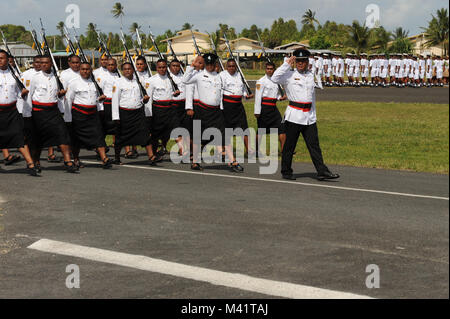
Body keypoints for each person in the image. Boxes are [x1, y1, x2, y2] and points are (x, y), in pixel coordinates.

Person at [271, 48, 339, 181]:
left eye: (303, 61)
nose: (301, 63)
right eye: (298, 61)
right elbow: (274, 78)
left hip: (309, 116)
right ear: (295, 61)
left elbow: (311, 98)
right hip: (294, 116)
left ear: (308, 62)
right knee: (290, 146)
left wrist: (314, 115)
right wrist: (286, 64)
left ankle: (321, 171)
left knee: (314, 146)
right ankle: (286, 171)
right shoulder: (289, 75)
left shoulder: (310, 75)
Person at [182, 54, 244, 172]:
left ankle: (233, 161)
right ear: (205, 64)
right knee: (197, 137)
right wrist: (192, 66)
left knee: (224, 136)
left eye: (212, 64)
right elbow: (185, 80)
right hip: (202, 110)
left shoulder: (219, 76)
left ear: (215, 64)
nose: (210, 66)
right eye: (208, 64)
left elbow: (222, 93)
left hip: (216, 112)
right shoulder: (199, 75)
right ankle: (195, 162)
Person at [26, 55, 77, 173]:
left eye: (46, 63)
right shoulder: (35, 77)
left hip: (53, 111)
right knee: (38, 139)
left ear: (51, 64)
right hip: (39, 112)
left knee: (62, 134)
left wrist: (60, 95)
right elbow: (29, 95)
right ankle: (36, 161)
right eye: (41, 63)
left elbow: (56, 95)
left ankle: (68, 161)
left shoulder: (57, 78)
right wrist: (28, 114)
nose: (43, 65)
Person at [65, 62, 113, 169]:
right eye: (83, 69)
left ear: (91, 70)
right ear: (80, 70)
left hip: (93, 114)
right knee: (76, 139)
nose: (85, 71)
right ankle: (76, 159)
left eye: (87, 69)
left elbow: (97, 99)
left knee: (99, 135)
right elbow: (68, 100)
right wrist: (68, 118)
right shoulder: (74, 83)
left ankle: (104, 159)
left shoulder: (95, 83)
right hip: (79, 114)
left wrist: (100, 106)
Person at [0, 50, 39, 176]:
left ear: (8, 59)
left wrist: (22, 93)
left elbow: (17, 93)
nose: (0, 60)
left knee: (20, 137)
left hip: (12, 111)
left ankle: (30, 164)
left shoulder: (15, 75)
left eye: (2, 58)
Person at [111, 62, 158, 165]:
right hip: (124, 113)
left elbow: (140, 98)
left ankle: (151, 156)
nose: (127, 71)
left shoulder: (138, 82)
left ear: (133, 70)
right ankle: (117, 158)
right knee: (120, 137)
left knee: (145, 134)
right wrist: (116, 117)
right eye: (125, 69)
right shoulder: (118, 82)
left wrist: (144, 100)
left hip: (138, 113)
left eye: (129, 69)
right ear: (122, 71)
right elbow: (115, 101)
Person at [220, 58, 255, 156]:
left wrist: (246, 95)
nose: (231, 68)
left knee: (244, 127)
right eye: (229, 66)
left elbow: (242, 88)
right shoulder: (222, 75)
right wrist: (221, 107)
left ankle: (248, 150)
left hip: (238, 106)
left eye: (233, 66)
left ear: (236, 67)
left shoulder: (240, 75)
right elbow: (220, 91)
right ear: (227, 67)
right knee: (226, 129)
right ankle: (224, 150)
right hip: (227, 106)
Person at [147, 59, 180, 159]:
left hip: (171, 109)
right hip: (158, 110)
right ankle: (153, 153)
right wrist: (149, 115)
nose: (162, 69)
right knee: (156, 134)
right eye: (160, 67)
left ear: (167, 67)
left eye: (164, 67)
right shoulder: (151, 80)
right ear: (156, 68)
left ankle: (183, 152)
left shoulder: (171, 78)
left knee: (175, 131)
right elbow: (149, 99)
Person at [254, 62, 287, 156]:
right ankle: (256, 150)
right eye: (268, 68)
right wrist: (257, 111)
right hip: (264, 109)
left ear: (274, 70)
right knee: (261, 131)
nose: (269, 70)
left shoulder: (276, 81)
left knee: (282, 129)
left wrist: (280, 98)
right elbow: (258, 97)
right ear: (265, 69)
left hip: (273, 108)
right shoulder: (261, 81)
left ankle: (284, 151)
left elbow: (275, 95)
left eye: (271, 69)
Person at [98, 58, 120, 147]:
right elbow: (100, 91)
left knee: (117, 126)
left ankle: (117, 144)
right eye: (109, 65)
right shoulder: (103, 77)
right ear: (106, 66)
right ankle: (101, 146)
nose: (111, 67)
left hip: (117, 104)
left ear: (116, 66)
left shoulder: (119, 76)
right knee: (105, 126)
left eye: (112, 65)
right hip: (107, 104)